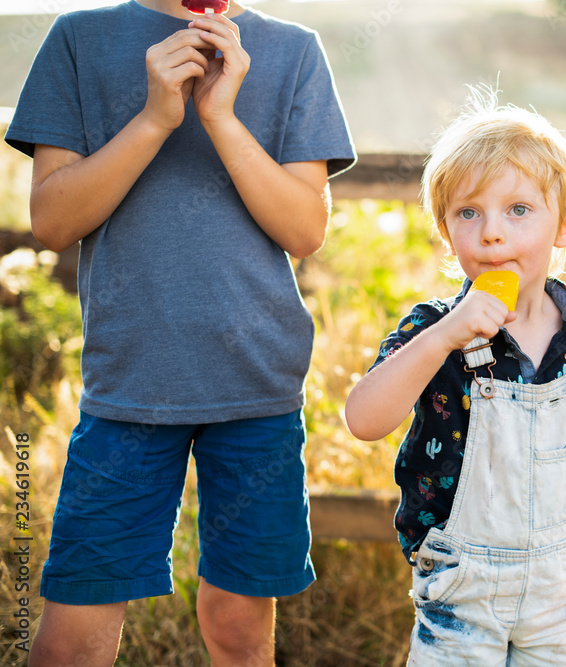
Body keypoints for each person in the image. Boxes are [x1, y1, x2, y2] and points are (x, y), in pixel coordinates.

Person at [5, 0, 355, 663]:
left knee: (238, 627)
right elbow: (52, 221)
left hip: (257, 388)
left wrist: (219, 117)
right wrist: (156, 118)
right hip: (129, 385)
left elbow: (306, 229)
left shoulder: (293, 50)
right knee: (72, 638)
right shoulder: (79, 40)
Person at [345, 89, 566, 665]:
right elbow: (364, 419)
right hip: (459, 601)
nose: (492, 233)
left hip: (561, 604)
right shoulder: (432, 327)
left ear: (565, 226)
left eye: (518, 210)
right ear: (446, 231)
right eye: (469, 213)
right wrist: (444, 337)